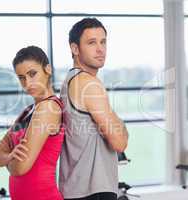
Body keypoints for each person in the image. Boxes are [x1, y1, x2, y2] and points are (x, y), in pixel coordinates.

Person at [59, 18, 129, 200]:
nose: (100, 49)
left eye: (103, 42)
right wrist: (118, 122)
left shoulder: (69, 81)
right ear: (75, 49)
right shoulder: (89, 84)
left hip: (75, 189)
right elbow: (120, 143)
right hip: (93, 191)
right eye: (91, 43)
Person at [0, 46, 64, 200]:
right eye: (21, 77)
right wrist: (10, 157)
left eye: (32, 74)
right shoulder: (28, 111)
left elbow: (20, 168)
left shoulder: (48, 107)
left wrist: (7, 159)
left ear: (48, 69)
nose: (27, 83)